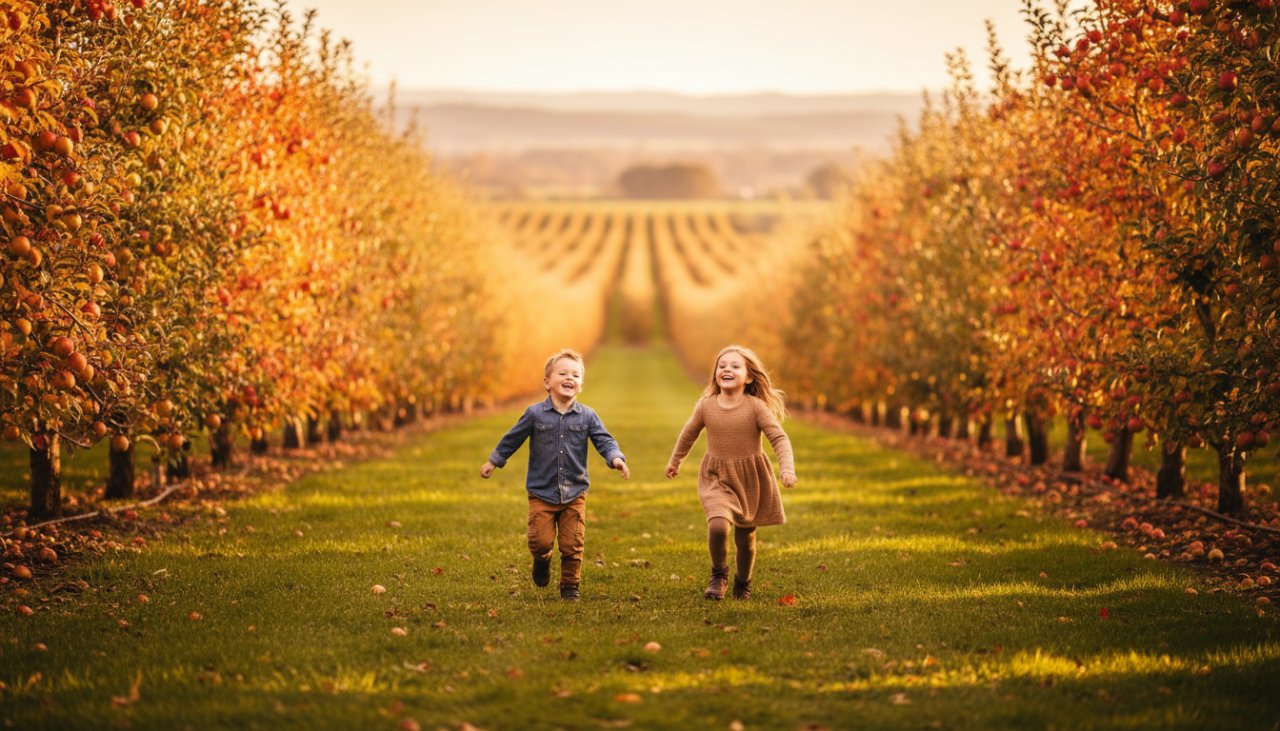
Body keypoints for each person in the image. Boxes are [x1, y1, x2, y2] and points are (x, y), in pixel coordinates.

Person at [481, 349, 630, 601]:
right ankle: (542, 559)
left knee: (573, 543)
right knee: (540, 541)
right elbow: (512, 438)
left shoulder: (588, 416)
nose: (569, 377)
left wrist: (615, 458)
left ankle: (570, 586)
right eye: (562, 373)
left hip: (575, 492)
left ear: (581, 384)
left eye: (575, 374)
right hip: (541, 492)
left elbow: (604, 441)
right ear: (547, 382)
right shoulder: (534, 414)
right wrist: (494, 461)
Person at [665, 345, 796, 600]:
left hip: (750, 478)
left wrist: (787, 468)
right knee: (717, 525)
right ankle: (719, 575)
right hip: (717, 476)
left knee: (746, 537)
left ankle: (743, 582)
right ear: (715, 374)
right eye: (722, 366)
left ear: (748, 376)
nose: (727, 369)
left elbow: (779, 438)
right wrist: (675, 461)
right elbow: (688, 434)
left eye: (735, 366)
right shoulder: (706, 406)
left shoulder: (755, 407)